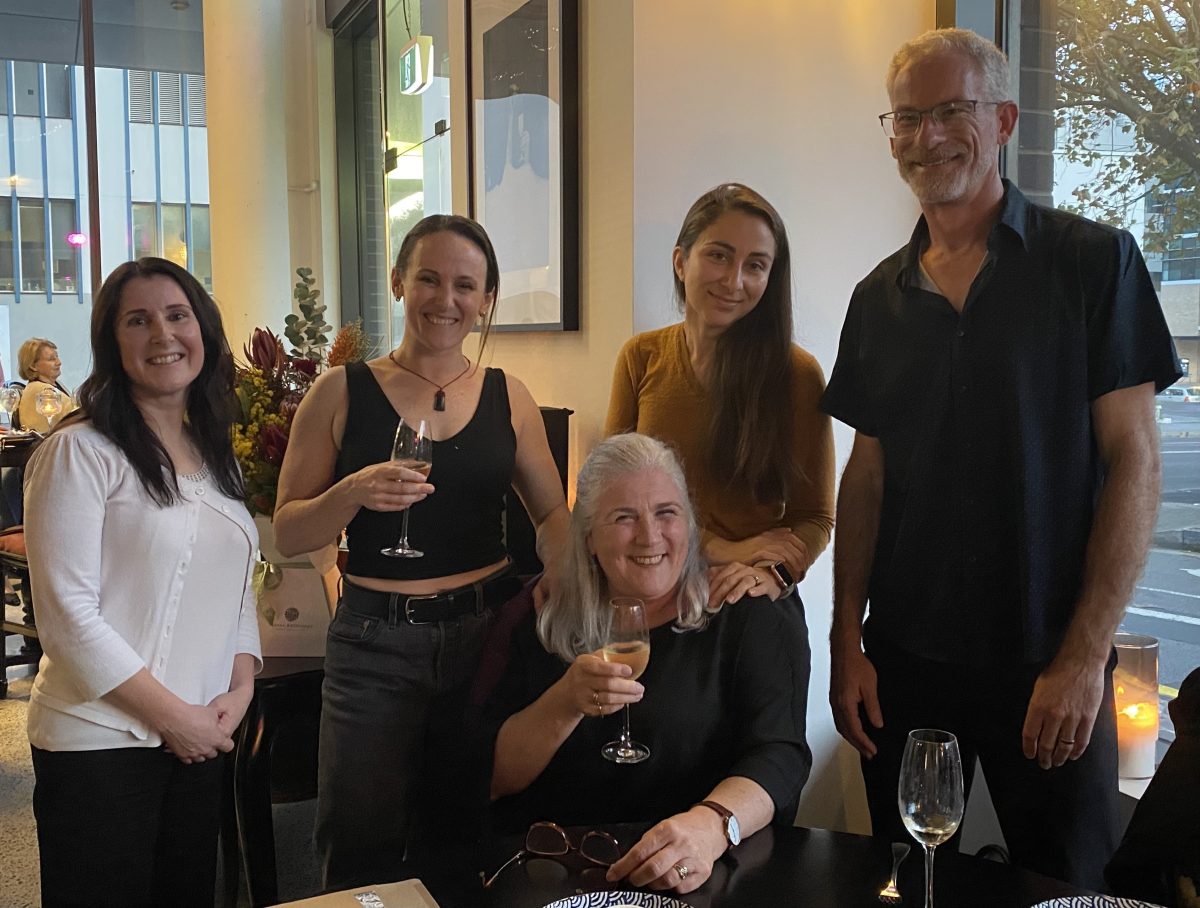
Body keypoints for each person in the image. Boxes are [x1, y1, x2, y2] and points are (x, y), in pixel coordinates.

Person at [821, 28, 1181, 890]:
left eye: (951, 111)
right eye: (906, 118)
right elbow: (865, 478)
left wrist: (1084, 658)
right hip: (903, 664)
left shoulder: (1094, 263)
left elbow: (1136, 466)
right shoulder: (878, 297)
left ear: (1006, 119)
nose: (925, 136)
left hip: (1047, 661)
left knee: (1066, 884)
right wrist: (844, 643)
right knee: (911, 881)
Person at [273, 213, 570, 889]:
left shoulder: (509, 397)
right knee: (358, 840)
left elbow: (553, 514)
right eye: (429, 279)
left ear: (487, 298)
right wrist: (351, 492)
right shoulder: (340, 391)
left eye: (466, 285)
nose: (446, 299)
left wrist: (567, 575)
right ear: (400, 282)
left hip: (488, 637)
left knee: (469, 830)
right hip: (375, 643)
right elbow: (291, 531)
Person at [23, 257, 261, 908]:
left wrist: (237, 692)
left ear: (203, 330)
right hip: (100, 739)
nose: (163, 334)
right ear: (112, 342)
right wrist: (174, 719)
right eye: (138, 320)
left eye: (177, 315)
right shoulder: (80, 452)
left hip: (199, 735)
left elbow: (238, 587)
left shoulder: (213, 454)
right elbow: (67, 617)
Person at [478, 433, 811, 895]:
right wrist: (565, 703)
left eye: (666, 513)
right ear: (589, 537)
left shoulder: (745, 612)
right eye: (624, 518)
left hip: (691, 875)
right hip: (554, 875)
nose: (650, 536)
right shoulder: (541, 617)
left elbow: (781, 755)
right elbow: (489, 778)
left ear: (690, 525)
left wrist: (712, 825)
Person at [605, 183, 834, 609]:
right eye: (719, 255)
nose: (734, 280)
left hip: (748, 599)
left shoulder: (797, 375)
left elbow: (816, 517)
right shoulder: (640, 357)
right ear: (680, 261)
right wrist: (720, 548)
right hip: (654, 597)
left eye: (756, 265)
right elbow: (612, 496)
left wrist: (772, 574)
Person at [16, 337, 76, 433]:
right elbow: (74, 414)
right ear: (33, 366)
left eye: (57, 356)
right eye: (51, 359)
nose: (59, 362)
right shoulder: (39, 390)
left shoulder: (55, 384)